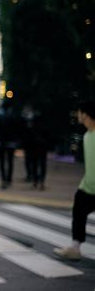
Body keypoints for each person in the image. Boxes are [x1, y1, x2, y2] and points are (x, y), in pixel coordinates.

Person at [54, 100, 95, 260]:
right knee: (78, 210)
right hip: (88, 187)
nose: (77, 115)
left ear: (84, 114)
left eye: (79, 112)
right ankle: (75, 247)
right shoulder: (87, 136)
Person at [0, 101, 19, 189]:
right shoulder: (13, 118)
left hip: (1, 143)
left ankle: (4, 180)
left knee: (2, 162)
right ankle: (9, 179)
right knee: (10, 162)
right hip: (11, 143)